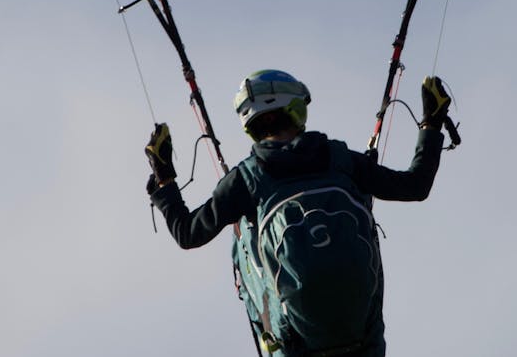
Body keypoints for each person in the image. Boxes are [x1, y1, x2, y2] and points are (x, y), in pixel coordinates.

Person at [145, 69, 458, 356]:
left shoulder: (246, 179)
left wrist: (164, 180)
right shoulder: (341, 159)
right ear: (296, 108)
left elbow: (187, 233)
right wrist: (431, 124)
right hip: (363, 339)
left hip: (297, 346)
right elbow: (416, 186)